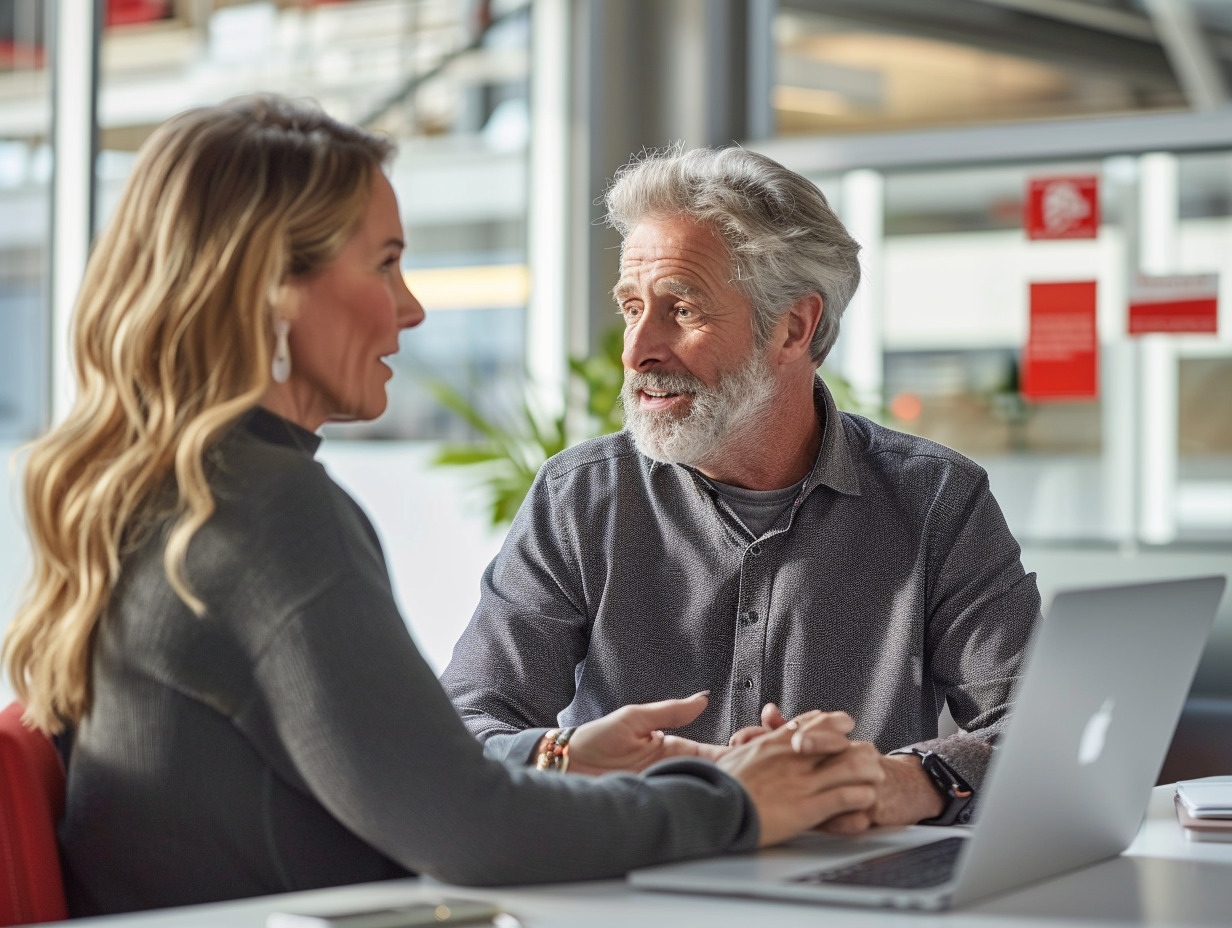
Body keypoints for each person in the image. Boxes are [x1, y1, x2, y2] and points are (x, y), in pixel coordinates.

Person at [1, 100, 885, 916]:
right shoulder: (267, 513)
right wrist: (734, 799)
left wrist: (568, 758)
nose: (412, 310)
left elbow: (396, 785)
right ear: (272, 288)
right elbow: (471, 831)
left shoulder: (177, 492)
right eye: (385, 264)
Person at [442, 145, 1042, 834]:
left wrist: (902, 782)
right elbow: (466, 726)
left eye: (682, 309)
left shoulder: (938, 500)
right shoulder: (579, 498)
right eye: (631, 307)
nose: (637, 349)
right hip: (636, 881)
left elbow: (1035, 726)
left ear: (793, 327)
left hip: (854, 889)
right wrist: (566, 755)